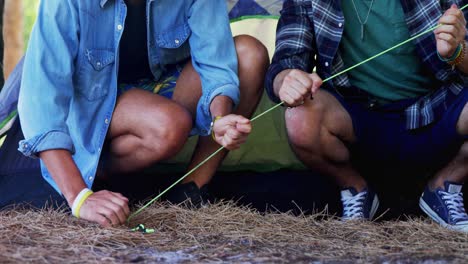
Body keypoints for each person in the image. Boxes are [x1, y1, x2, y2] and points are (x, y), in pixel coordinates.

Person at [17, 0, 269, 227]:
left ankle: (191, 188)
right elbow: (40, 101)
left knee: (249, 54)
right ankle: (90, 170)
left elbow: (216, 66)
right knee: (170, 124)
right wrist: (79, 197)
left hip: (163, 88)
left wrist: (219, 118)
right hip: (94, 104)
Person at [266, 0, 468, 231]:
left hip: (436, 110)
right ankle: (355, 189)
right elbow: (288, 58)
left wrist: (457, 52)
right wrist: (286, 80)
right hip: (358, 116)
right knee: (300, 116)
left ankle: (445, 185)